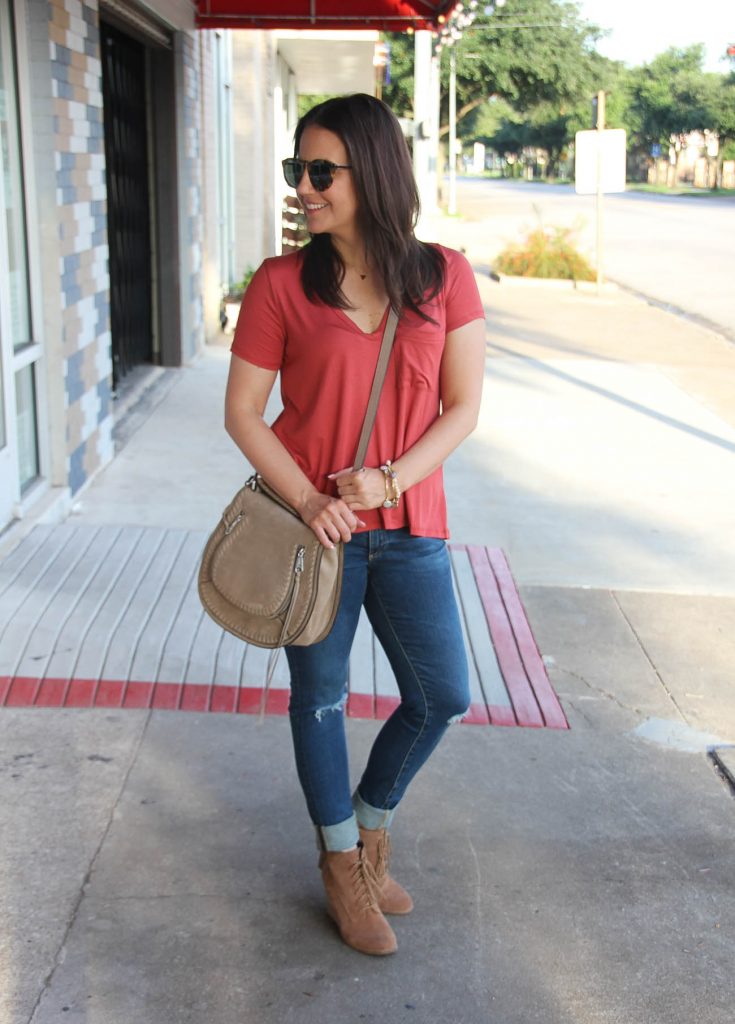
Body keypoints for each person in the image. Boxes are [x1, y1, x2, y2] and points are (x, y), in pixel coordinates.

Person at [225, 93, 486, 956]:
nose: (303, 186)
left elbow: (461, 407)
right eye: (295, 170)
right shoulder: (278, 285)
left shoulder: (443, 276)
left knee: (441, 693)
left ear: (370, 172)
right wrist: (312, 499)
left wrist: (389, 479)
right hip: (315, 541)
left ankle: (371, 826)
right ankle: (341, 864)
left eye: (320, 170)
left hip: (412, 526)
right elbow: (244, 415)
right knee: (323, 699)